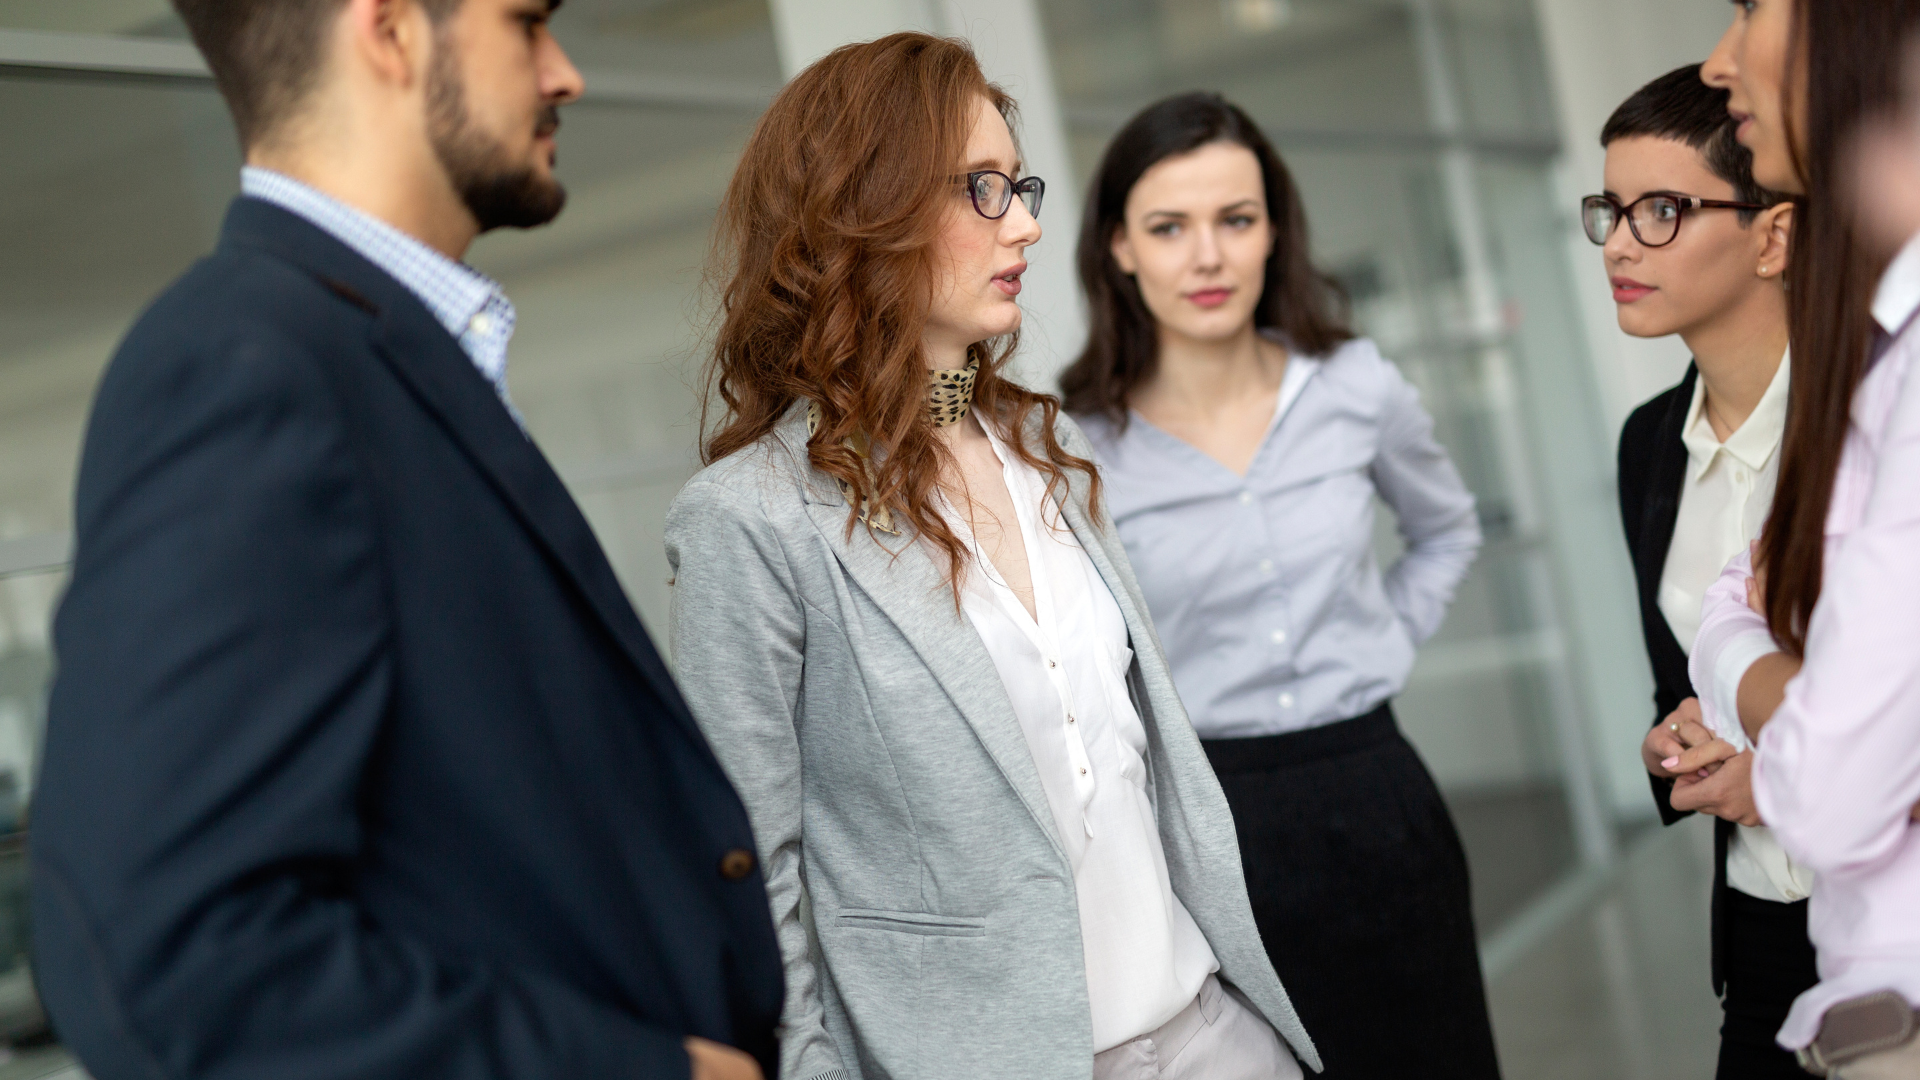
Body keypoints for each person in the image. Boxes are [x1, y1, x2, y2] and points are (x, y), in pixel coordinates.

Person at [29, 2, 782, 1078]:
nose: (564, 75)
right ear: (389, 32)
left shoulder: (367, 352)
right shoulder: (246, 366)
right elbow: (171, 961)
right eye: (526, 25)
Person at [667, 34, 1318, 1080]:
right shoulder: (750, 520)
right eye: (981, 189)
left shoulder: (1044, 451)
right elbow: (748, 872)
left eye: (1018, 185)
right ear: (863, 210)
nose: (1025, 222)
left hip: (1218, 1037)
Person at [1059, 92, 1491, 1078]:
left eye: (1235, 221)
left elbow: (1445, 530)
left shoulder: (1355, 385)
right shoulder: (1076, 447)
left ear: (1273, 234)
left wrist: (1384, 638)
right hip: (1212, 832)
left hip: (1379, 799)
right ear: (1119, 249)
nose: (1207, 257)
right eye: (1169, 227)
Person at [1669, 0, 1920, 1074]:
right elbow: (1733, 595)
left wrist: (1757, 685)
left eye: (1751, 10)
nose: (1722, 63)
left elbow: (1832, 795)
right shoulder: (1876, 361)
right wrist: (1791, 698)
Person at [1595, 66, 1806, 1079]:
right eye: (1613, 210)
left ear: (1773, 235)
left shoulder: (1876, 421)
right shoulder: (1649, 446)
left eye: (1663, 210)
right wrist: (1674, 749)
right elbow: (1677, 690)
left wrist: (1795, 783)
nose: (1621, 244)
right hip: (1764, 937)